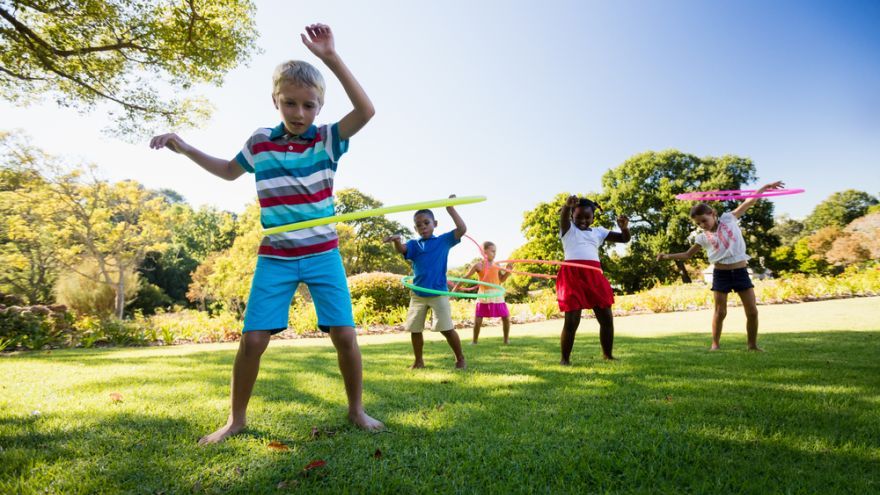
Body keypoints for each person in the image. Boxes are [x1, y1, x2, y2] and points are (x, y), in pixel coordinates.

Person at [150, 24, 383, 444]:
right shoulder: (260, 142)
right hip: (275, 254)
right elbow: (226, 171)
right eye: (289, 103)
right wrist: (185, 148)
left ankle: (356, 411)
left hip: (322, 251)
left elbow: (366, 112)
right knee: (254, 339)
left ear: (318, 107)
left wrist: (331, 57)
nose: (298, 113)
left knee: (345, 335)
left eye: (308, 105)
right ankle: (235, 419)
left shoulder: (328, 139)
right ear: (275, 100)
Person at [657, 181, 784, 351]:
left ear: (713, 214)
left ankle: (752, 345)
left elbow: (749, 201)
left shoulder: (728, 219)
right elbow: (688, 254)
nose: (702, 225)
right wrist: (666, 256)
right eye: (698, 224)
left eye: (704, 220)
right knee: (720, 312)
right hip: (721, 274)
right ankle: (715, 345)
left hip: (740, 272)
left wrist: (765, 187)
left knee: (752, 311)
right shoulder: (702, 237)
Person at [384, 196, 467, 369]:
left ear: (435, 223)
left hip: (438, 293)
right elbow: (402, 250)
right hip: (418, 294)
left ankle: (460, 358)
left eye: (426, 223)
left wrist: (450, 208)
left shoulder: (443, 241)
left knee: (446, 329)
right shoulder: (414, 245)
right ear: (415, 228)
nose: (423, 227)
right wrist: (397, 241)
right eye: (419, 225)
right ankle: (418, 361)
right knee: (415, 330)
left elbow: (462, 229)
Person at [557, 196, 630, 364]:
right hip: (572, 276)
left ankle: (608, 355)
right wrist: (567, 206)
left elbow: (624, 239)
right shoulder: (567, 229)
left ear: (593, 217)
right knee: (572, 321)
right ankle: (565, 359)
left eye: (587, 217)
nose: (583, 220)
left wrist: (624, 228)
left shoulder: (599, 231)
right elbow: (564, 217)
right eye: (578, 216)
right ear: (572, 216)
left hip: (594, 276)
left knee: (606, 318)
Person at [456, 242, 512, 344]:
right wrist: (454, 291)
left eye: (495, 251)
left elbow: (502, 279)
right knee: (478, 319)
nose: (495, 253)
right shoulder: (479, 265)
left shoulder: (497, 264)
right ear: (484, 252)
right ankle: (474, 341)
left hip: (497, 294)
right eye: (492, 251)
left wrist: (508, 272)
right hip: (484, 294)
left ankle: (506, 340)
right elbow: (466, 278)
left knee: (505, 317)